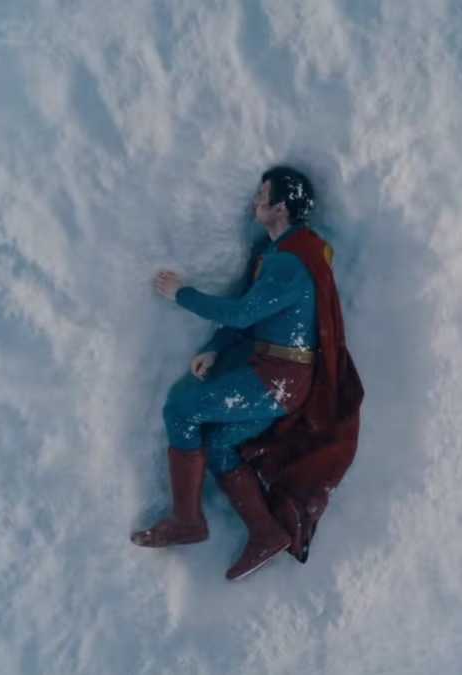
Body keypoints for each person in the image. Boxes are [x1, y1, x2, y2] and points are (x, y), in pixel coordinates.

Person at [131, 166, 363, 581]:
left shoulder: (292, 261)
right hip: (277, 375)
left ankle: (186, 520)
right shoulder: (277, 254)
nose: (255, 201)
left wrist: (181, 293)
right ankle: (266, 533)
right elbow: (250, 311)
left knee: (181, 410)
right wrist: (216, 349)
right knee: (222, 443)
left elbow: (242, 313)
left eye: (262, 194)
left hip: (280, 378)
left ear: (281, 207)